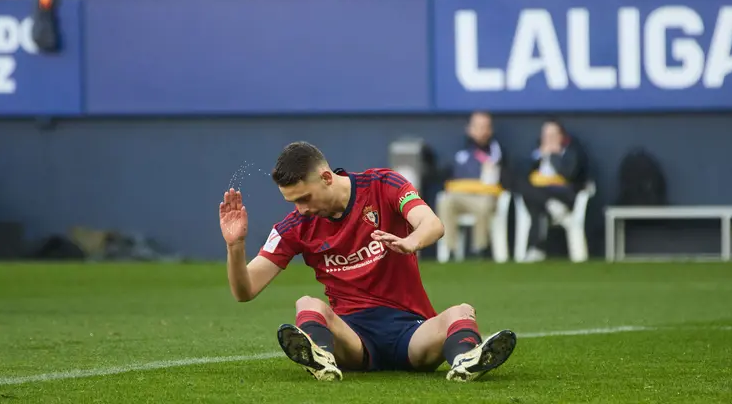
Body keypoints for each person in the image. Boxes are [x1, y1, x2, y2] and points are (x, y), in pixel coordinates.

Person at [218, 141, 517, 382]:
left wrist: (411, 242)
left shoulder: (382, 184)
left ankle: (466, 360)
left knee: (461, 311)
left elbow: (433, 224)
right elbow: (245, 291)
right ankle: (322, 358)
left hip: (412, 331)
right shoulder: (295, 226)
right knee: (307, 304)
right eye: (293, 202)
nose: (301, 209)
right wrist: (236, 246)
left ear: (326, 178)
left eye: (305, 198)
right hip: (354, 338)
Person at [438, 111, 509, 259]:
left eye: (485, 127)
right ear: (469, 129)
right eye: (478, 127)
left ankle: (479, 250)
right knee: (445, 201)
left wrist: (495, 171)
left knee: (483, 205)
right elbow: (444, 175)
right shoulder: (459, 153)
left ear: (490, 130)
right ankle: (450, 250)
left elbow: (507, 179)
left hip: (485, 197)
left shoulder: (497, 152)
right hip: (461, 197)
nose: (482, 131)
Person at [516, 120, 588, 262]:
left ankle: (536, 248)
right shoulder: (536, 154)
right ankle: (549, 205)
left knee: (536, 200)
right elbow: (524, 175)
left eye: (552, 135)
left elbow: (569, 175)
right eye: (545, 135)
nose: (548, 139)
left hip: (562, 194)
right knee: (528, 191)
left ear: (561, 137)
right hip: (541, 196)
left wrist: (554, 156)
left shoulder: (571, 154)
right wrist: (539, 156)